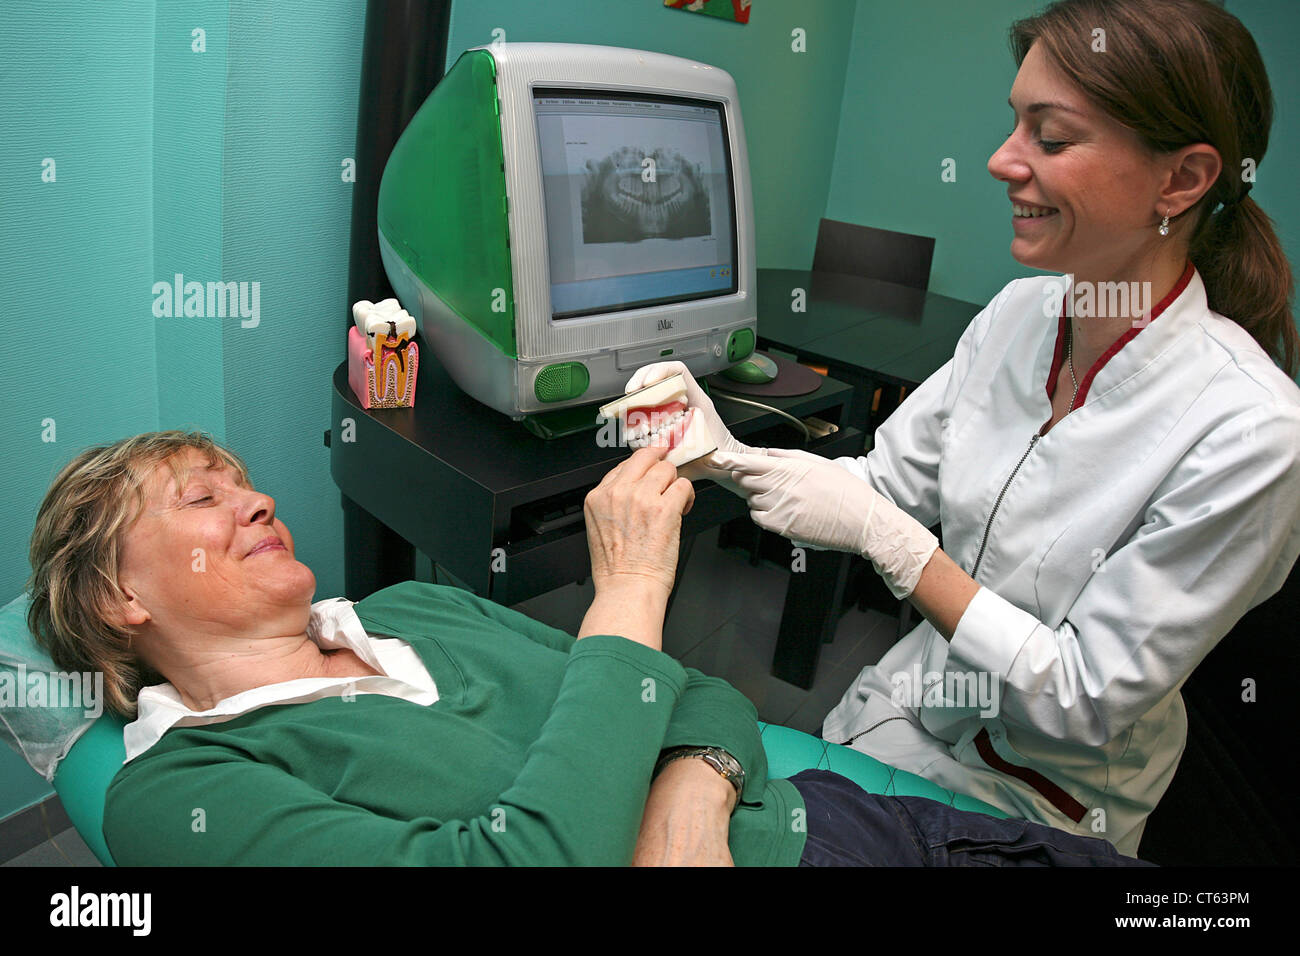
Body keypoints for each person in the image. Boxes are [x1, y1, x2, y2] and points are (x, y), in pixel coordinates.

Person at [632, 0, 1300, 857]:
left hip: (1042, 789)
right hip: (910, 704)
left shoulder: (1250, 432)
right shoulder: (1021, 314)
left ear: (1181, 181)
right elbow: (881, 489)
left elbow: (1081, 698)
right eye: (1012, 124)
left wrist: (904, 552)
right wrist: (722, 452)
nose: (999, 160)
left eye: (1050, 139)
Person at [25, 431, 1149, 866]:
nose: (258, 495)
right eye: (201, 495)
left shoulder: (420, 608)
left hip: (837, 821)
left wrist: (690, 803)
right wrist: (634, 586)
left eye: (245, 474)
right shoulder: (182, 794)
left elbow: (700, 692)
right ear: (117, 592)